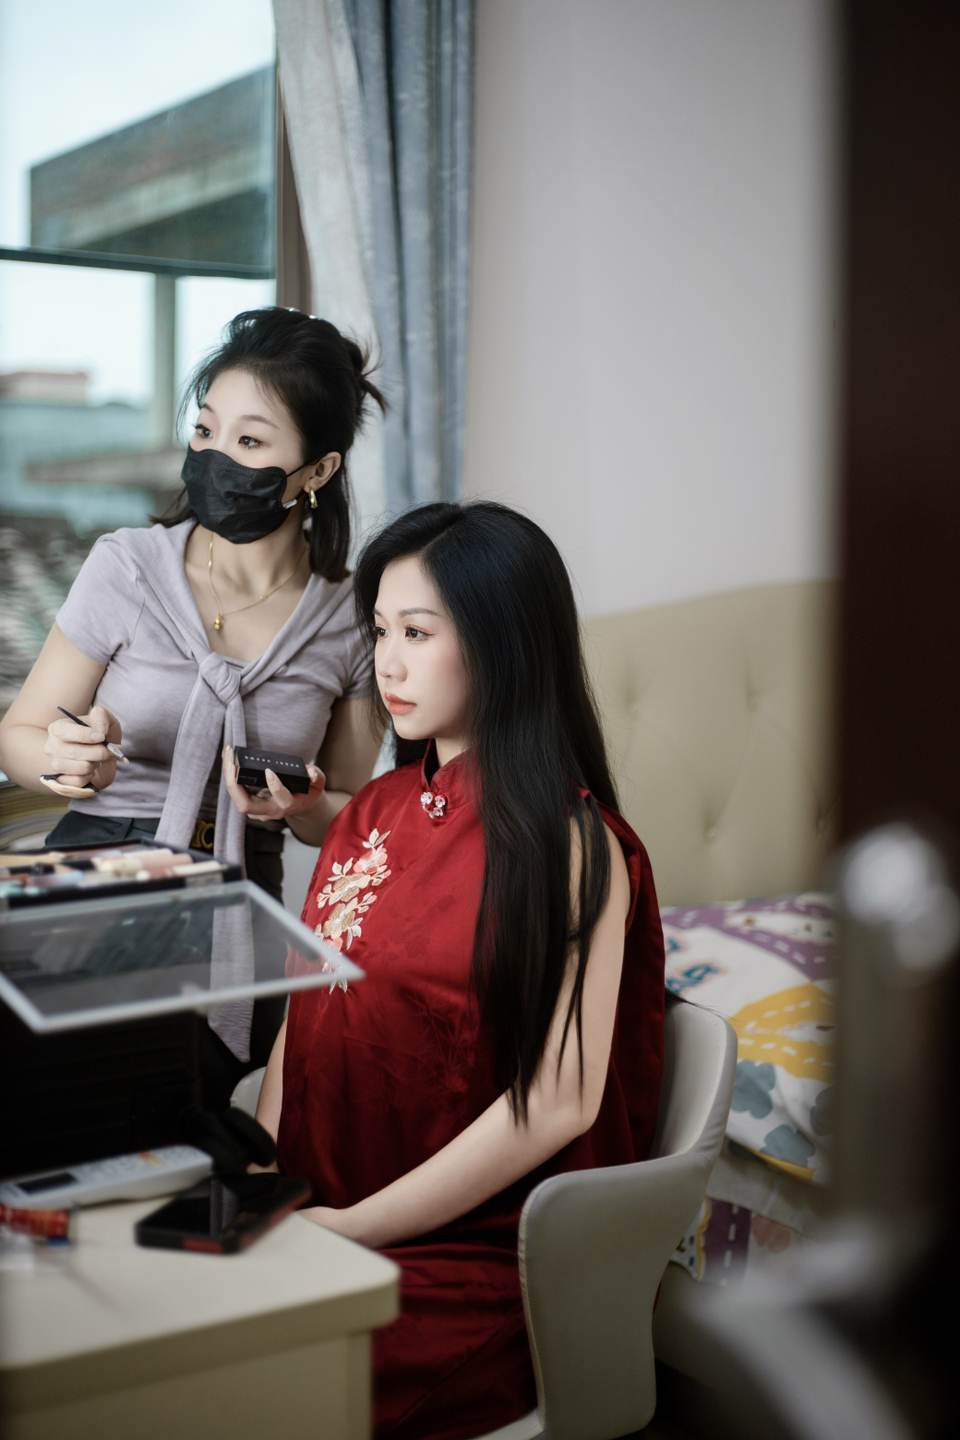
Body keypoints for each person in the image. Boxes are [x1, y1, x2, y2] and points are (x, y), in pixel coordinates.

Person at [255, 501, 666, 1439]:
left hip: (476, 1257)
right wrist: (263, 1179)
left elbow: (558, 1103)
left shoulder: (573, 843)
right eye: (379, 633)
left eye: (417, 633)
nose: (387, 664)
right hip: (313, 1214)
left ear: (502, 641)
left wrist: (352, 1231)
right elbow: (306, 1016)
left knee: (253, 1381)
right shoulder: (371, 811)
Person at [0, 307, 386, 1105]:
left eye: (250, 442)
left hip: (240, 896)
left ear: (317, 469)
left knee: (203, 1115)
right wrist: (66, 760)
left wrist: (302, 804)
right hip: (97, 868)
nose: (214, 458)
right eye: (206, 431)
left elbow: (346, 815)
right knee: (58, 1112)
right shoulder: (126, 566)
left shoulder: (350, 620)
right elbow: (20, 736)